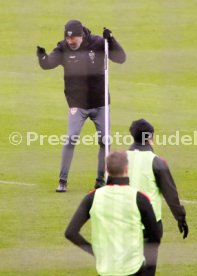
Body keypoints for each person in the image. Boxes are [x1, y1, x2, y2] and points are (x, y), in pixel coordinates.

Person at [36, 19, 126, 192]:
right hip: (77, 104)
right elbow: (48, 64)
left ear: (82, 36)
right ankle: (62, 180)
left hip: (100, 103)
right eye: (68, 38)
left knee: (105, 141)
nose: (70, 42)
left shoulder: (99, 43)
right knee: (70, 139)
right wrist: (42, 57)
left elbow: (121, 58)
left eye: (73, 39)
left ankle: (101, 180)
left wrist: (112, 40)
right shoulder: (63, 47)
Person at [65, 151, 160, 276]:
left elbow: (71, 232)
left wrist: (95, 252)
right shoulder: (139, 198)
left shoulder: (92, 198)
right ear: (127, 169)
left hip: (106, 269)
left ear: (106, 170)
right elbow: (155, 236)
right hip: (133, 267)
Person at [127, 118, 189, 275]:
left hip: (124, 223)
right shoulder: (156, 162)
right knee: (148, 269)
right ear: (149, 137)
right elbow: (171, 195)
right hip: (150, 226)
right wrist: (180, 218)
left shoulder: (117, 159)